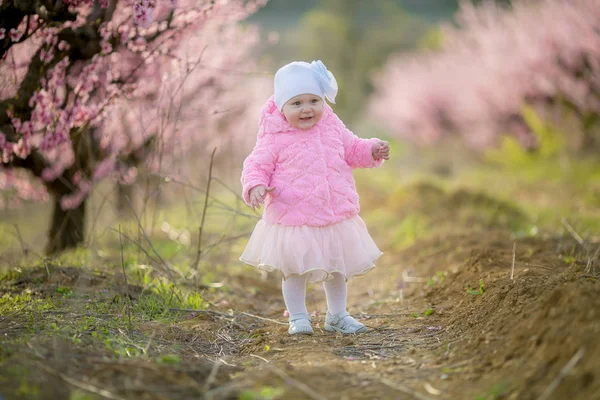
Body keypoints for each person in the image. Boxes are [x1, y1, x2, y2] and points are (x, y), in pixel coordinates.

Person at [240, 60, 390, 335]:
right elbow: (256, 164)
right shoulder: (274, 136)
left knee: (336, 269)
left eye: (313, 100)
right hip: (293, 217)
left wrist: (372, 150)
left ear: (323, 101)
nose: (307, 109)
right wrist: (256, 185)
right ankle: (298, 317)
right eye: (296, 103)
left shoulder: (332, 126)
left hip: (333, 215)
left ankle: (337, 315)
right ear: (281, 107)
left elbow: (353, 148)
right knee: (294, 270)